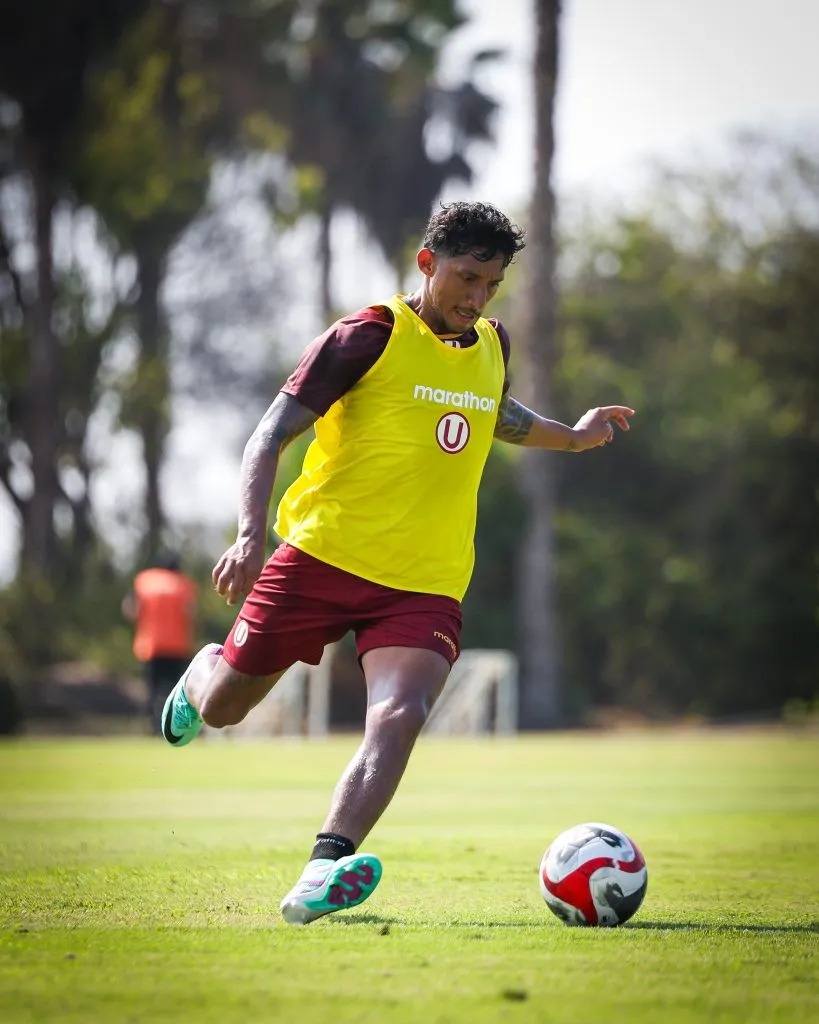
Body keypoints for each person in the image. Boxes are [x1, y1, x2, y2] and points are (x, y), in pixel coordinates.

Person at [161, 201, 634, 925]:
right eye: (465, 279)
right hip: (321, 555)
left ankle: (321, 870)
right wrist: (249, 538)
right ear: (426, 264)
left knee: (400, 712)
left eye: (490, 286)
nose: (475, 299)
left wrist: (572, 436)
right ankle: (203, 674)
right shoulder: (367, 335)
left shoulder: (490, 344)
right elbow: (268, 435)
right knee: (227, 708)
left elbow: (496, 416)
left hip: (424, 579)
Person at [122, 551, 198, 731]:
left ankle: (152, 727)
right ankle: (175, 727)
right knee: (176, 690)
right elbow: (191, 613)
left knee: (152, 690)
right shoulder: (184, 584)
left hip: (150, 646)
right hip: (178, 646)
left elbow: (130, 609)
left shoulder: (144, 581)